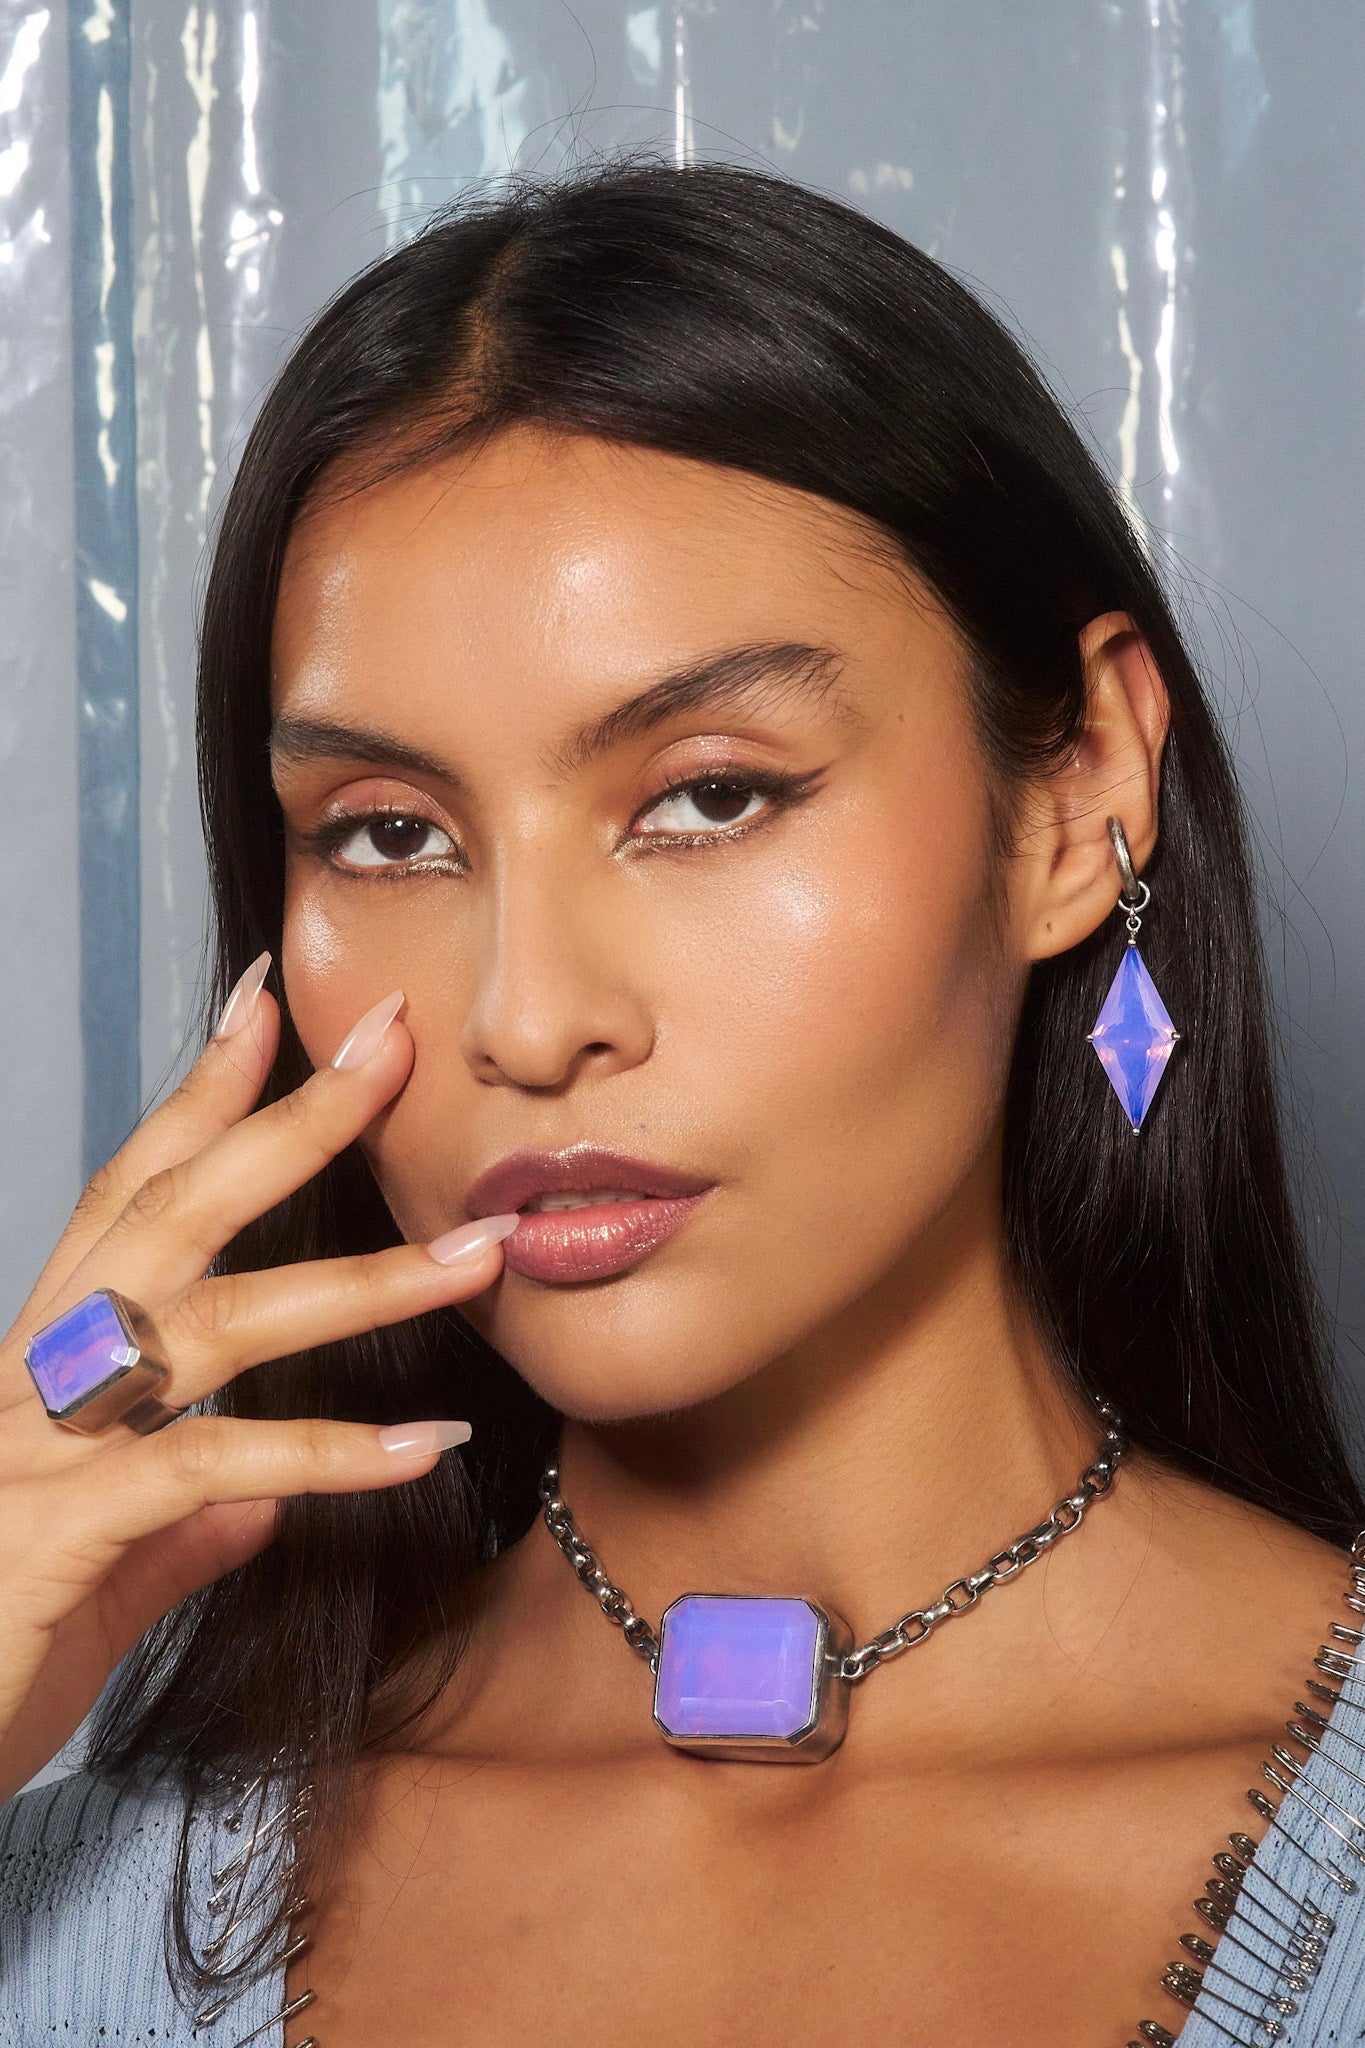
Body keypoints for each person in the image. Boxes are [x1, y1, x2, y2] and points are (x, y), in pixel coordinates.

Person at [0, 158, 1362, 2048]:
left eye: (709, 795)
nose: (527, 1019)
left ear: (1076, 801)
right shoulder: (67, 1919)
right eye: (387, 834)